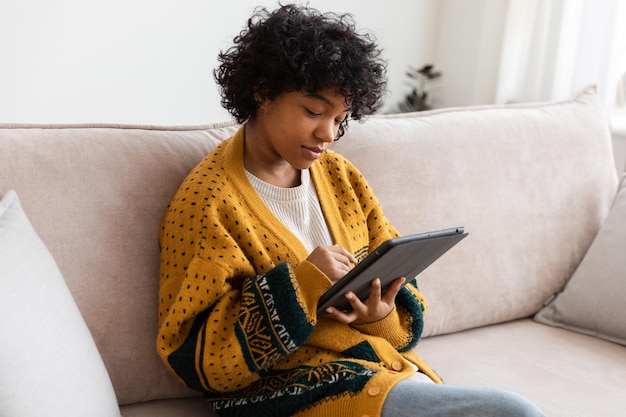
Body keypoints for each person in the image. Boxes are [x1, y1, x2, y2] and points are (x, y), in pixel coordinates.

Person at [157, 4, 546, 417]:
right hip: (296, 395)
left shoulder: (341, 177)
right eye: (314, 111)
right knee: (512, 411)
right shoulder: (209, 201)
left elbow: (402, 299)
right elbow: (199, 359)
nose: (328, 134)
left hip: (377, 376)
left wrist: (379, 315)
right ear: (263, 90)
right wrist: (305, 283)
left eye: (340, 119)